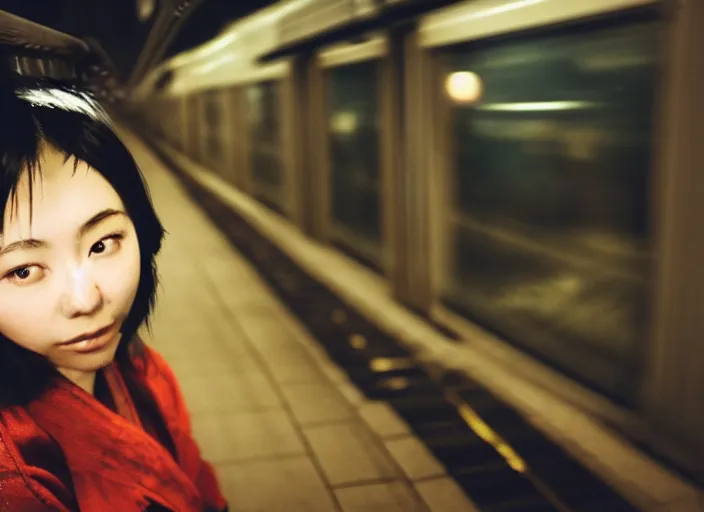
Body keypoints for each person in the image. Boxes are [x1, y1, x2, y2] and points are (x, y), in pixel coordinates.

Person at [0, 78, 229, 512]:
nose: (86, 301)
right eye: (23, 270)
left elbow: (198, 482)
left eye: (102, 244)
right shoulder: (16, 478)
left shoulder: (142, 370)